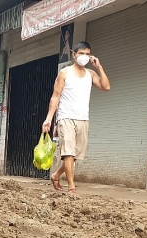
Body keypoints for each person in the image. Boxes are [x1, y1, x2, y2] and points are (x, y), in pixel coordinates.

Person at [42, 41, 111, 194]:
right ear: (74, 55)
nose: (84, 57)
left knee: (75, 155)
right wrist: (49, 119)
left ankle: (56, 175)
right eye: (81, 54)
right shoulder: (65, 73)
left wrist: (98, 67)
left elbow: (106, 87)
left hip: (83, 118)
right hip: (65, 117)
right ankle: (72, 187)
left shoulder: (90, 74)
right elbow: (55, 96)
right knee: (69, 152)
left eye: (87, 54)